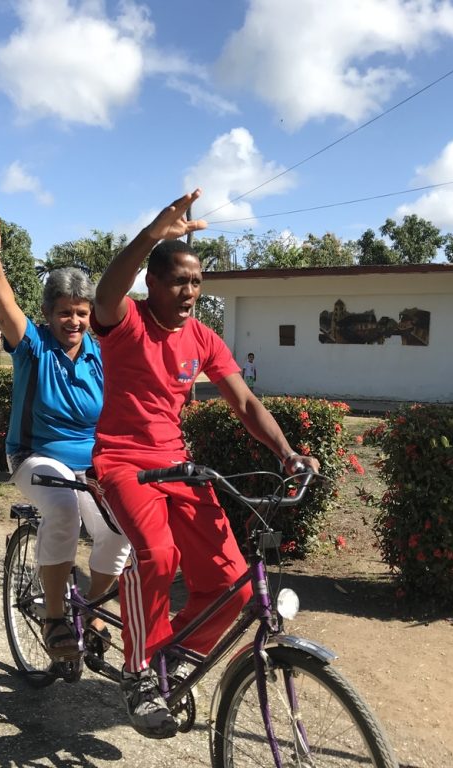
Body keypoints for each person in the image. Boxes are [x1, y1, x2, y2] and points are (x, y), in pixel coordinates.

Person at [90, 189, 320, 738]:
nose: (189, 291)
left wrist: (287, 453)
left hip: (177, 463)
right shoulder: (126, 321)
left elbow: (244, 403)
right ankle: (139, 669)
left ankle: (176, 655)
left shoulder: (203, 337)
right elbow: (106, 289)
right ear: (154, 282)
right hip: (122, 461)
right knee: (158, 557)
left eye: (196, 282)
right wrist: (152, 234)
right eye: (178, 280)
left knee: (236, 585)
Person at [0, 208, 131, 659]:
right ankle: (55, 616)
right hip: (35, 457)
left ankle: (90, 608)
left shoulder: (101, 354)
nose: (74, 322)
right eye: (64, 313)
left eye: (82, 313)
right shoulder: (33, 346)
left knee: (119, 529)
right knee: (65, 508)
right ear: (48, 315)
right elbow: (5, 306)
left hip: (91, 463)